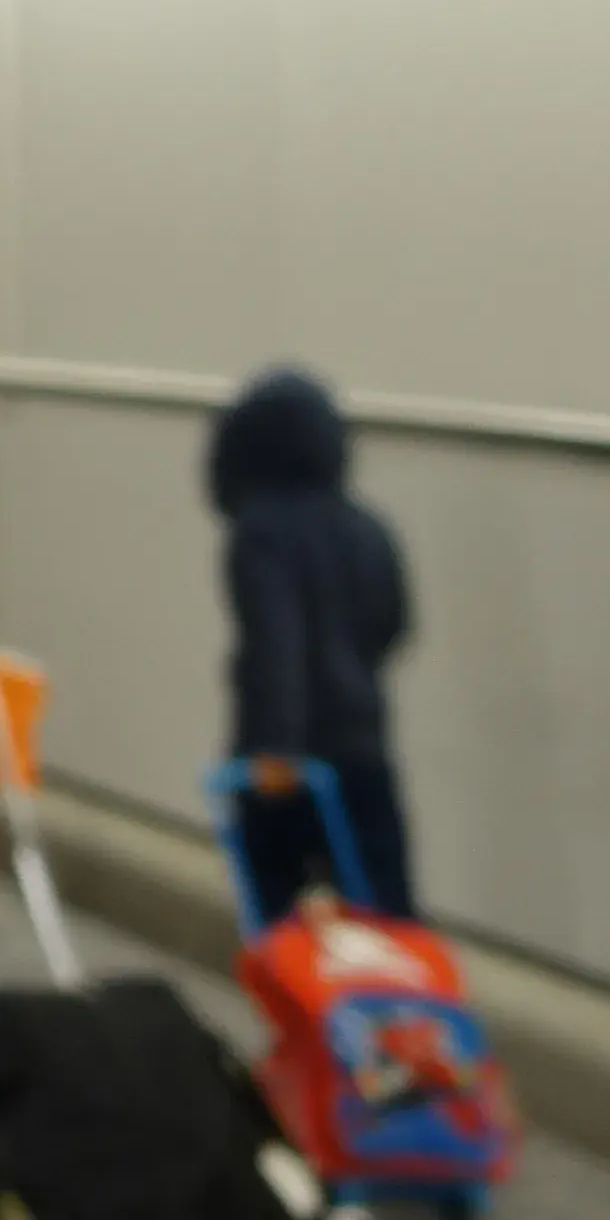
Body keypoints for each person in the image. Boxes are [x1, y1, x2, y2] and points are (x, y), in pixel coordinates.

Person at [208, 366, 419, 921]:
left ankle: (306, 1010)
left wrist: (275, 747)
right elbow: (394, 624)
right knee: (382, 907)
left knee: (282, 919)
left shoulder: (260, 533)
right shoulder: (369, 525)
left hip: (289, 760)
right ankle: (396, 1008)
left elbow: (277, 643)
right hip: (365, 743)